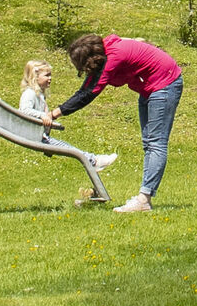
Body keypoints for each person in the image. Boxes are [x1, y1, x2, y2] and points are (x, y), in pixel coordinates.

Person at [53, 32, 182, 213]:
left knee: (156, 143)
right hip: (150, 86)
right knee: (149, 143)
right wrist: (56, 112)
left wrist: (55, 113)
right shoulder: (106, 53)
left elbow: (89, 92)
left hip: (164, 83)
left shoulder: (113, 58)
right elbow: (87, 87)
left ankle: (144, 200)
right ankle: (144, 196)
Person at [20, 57, 118, 169]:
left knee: (67, 148)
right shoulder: (29, 94)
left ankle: (93, 161)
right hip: (34, 137)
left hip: (40, 136)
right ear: (35, 76)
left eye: (50, 75)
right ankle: (94, 161)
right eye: (47, 75)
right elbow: (24, 111)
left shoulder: (39, 95)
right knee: (69, 149)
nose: (50, 78)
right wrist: (42, 116)